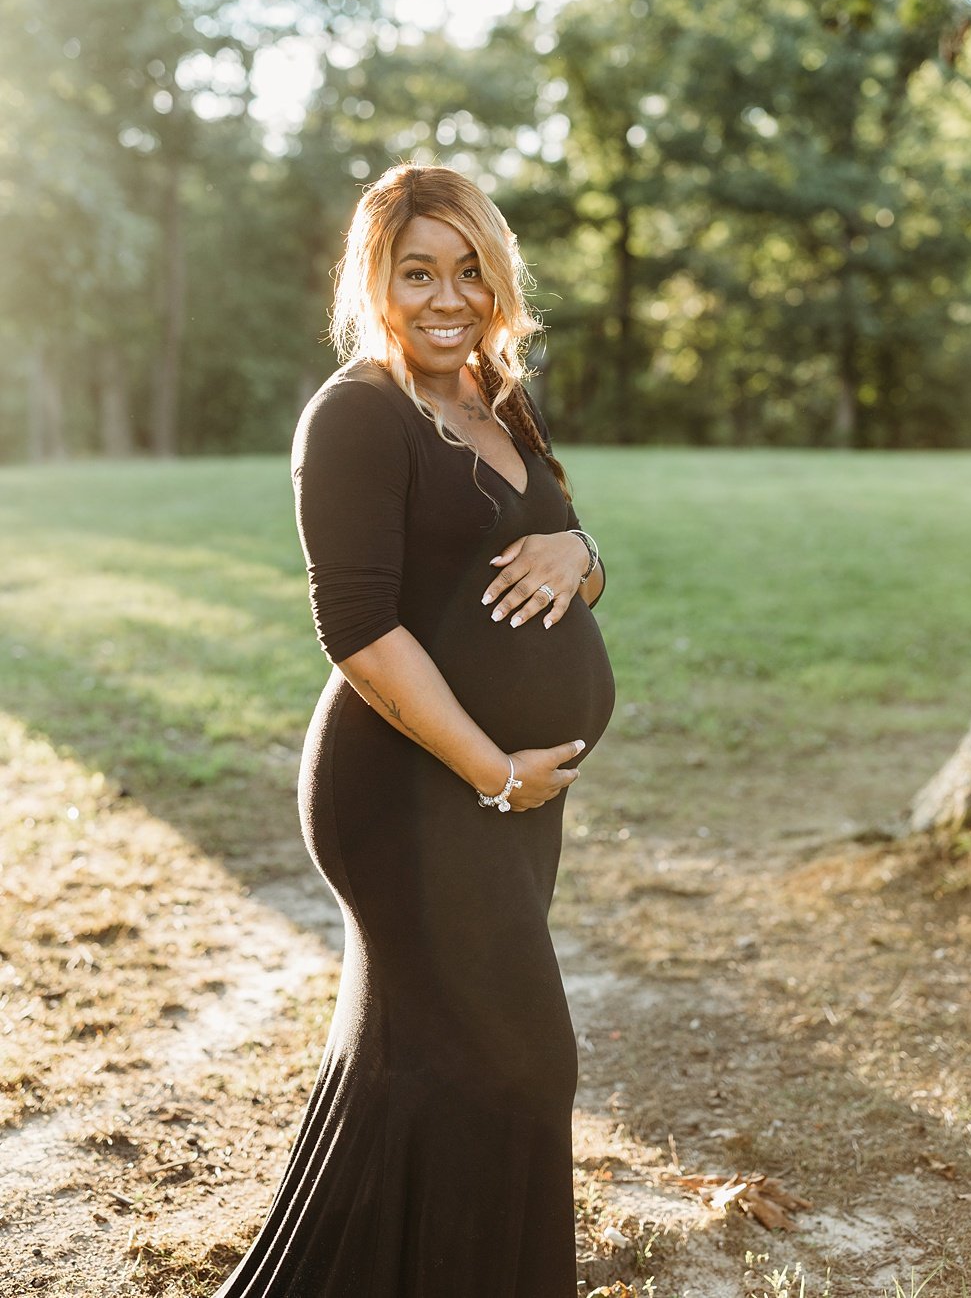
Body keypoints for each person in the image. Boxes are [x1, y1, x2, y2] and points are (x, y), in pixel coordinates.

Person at [214, 163, 616, 1298]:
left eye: (469, 271)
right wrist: (491, 770)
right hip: (411, 795)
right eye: (417, 273)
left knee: (415, 1062)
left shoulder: (496, 394)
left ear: (498, 281)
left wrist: (582, 559)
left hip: (506, 799)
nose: (448, 298)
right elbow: (354, 628)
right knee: (523, 1066)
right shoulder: (356, 413)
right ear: (374, 282)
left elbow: (573, 550)